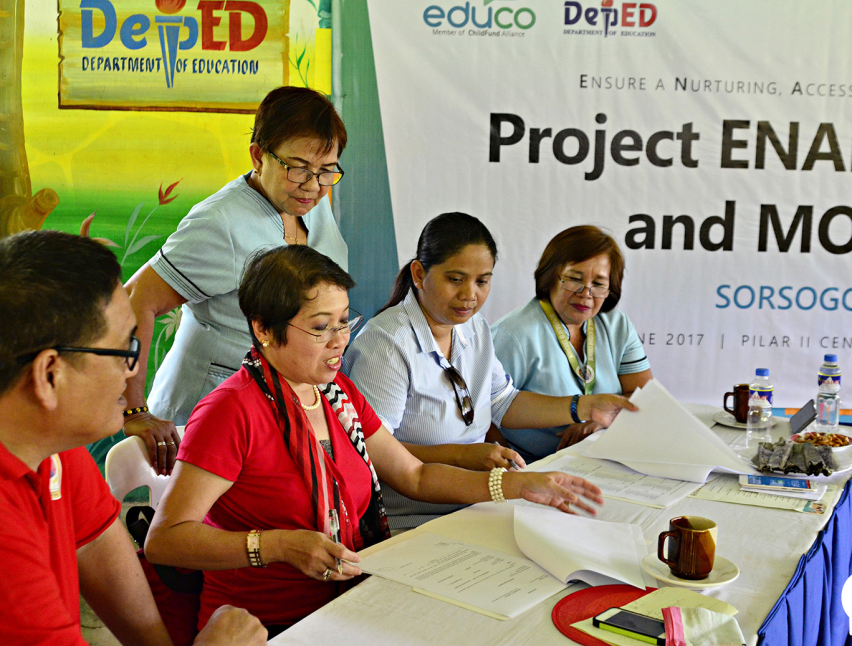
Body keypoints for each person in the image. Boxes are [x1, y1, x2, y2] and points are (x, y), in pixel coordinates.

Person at [143, 245, 605, 636]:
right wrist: (278, 545)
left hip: (352, 600)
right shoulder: (231, 412)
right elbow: (165, 540)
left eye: (345, 322)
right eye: (320, 327)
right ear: (263, 329)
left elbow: (415, 475)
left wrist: (517, 485)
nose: (339, 341)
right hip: (269, 626)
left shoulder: (336, 394)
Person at [0, 231, 265, 646]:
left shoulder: (32, 432)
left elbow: (94, 537)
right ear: (49, 375)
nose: (134, 373)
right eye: (125, 352)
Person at [342, 212, 637, 529]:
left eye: (482, 281)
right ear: (418, 273)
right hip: (411, 518)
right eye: (455, 279)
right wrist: (461, 456)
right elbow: (371, 450)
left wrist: (583, 407)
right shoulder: (386, 344)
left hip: (476, 505)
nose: (470, 295)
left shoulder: (474, 326)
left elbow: (504, 402)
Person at [122, 86, 350, 475]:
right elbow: (136, 299)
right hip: (208, 406)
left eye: (326, 169)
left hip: (275, 406)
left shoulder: (309, 202)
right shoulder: (221, 222)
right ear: (259, 156)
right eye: (297, 168)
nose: (313, 184)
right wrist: (133, 409)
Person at [492, 225, 653, 462]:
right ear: (550, 277)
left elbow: (643, 399)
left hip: (604, 458)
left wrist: (601, 420)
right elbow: (482, 414)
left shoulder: (618, 325)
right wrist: (512, 467)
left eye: (598, 284)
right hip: (533, 465)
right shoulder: (513, 333)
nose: (586, 293)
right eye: (574, 279)